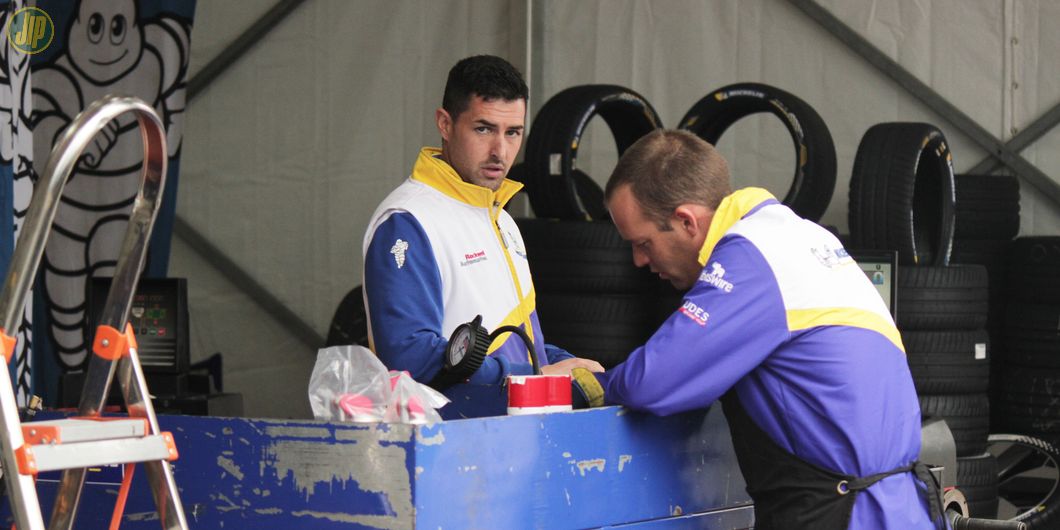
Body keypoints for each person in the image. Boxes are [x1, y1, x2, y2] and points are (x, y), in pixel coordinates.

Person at [573, 130, 940, 529]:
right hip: (899, 507)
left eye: (643, 242)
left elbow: (655, 380)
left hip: (844, 514)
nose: (639, 260)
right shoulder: (802, 235)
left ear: (686, 221)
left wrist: (593, 382)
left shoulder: (751, 257)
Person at [362, 55, 602, 417]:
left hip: (509, 437)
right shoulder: (407, 221)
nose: (500, 151)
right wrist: (536, 375)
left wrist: (570, 365)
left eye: (513, 133)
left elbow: (516, 343)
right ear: (445, 123)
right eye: (484, 129)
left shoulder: (502, 219)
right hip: (445, 449)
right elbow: (410, 357)